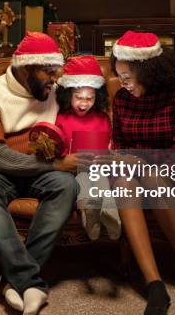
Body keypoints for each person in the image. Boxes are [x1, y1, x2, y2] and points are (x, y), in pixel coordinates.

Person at [0, 32, 81, 315]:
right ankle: (30, 282)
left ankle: (14, 282)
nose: (54, 78)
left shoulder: (53, 91)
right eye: (48, 71)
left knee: (67, 185)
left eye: (56, 71)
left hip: (41, 171)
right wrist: (54, 165)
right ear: (26, 67)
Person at [110, 31, 175, 315]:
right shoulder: (122, 99)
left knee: (150, 174)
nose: (123, 84)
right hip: (134, 169)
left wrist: (142, 161)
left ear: (148, 71)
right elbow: (120, 146)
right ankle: (154, 283)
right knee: (124, 180)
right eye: (119, 77)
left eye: (127, 77)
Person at [54, 55, 121, 240]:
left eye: (89, 99)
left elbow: (110, 142)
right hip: (73, 169)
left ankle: (110, 215)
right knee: (83, 178)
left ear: (96, 97)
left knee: (100, 179)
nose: (84, 103)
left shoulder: (102, 118)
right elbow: (57, 147)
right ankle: (88, 216)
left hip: (99, 166)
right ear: (69, 95)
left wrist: (108, 152)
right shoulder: (61, 118)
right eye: (79, 98)